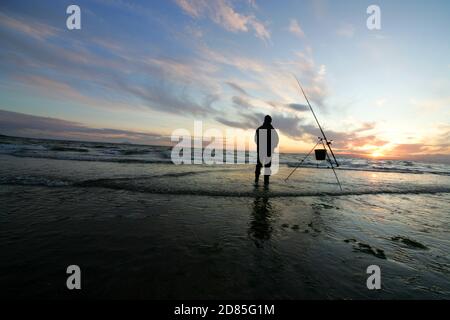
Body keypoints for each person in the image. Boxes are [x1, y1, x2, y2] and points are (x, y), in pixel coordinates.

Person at [254, 115, 279, 185]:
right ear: (270, 121)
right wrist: (273, 147)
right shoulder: (272, 130)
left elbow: (255, 140)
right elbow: (276, 140)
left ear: (264, 120)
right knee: (267, 166)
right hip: (268, 151)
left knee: (259, 165)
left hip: (261, 150)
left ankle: (256, 179)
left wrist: (259, 146)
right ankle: (266, 181)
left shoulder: (259, 129)